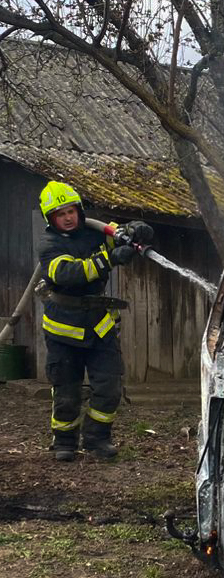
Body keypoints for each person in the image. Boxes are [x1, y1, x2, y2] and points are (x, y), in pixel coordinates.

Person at [37, 180, 154, 461]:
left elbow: (125, 236)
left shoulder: (95, 233)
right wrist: (109, 259)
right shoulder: (49, 245)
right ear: (51, 219)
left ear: (78, 210)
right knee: (66, 391)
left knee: (109, 387)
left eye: (70, 211)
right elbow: (68, 274)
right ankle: (64, 442)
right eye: (59, 214)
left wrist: (139, 228)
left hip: (99, 327)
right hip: (63, 329)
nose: (67, 218)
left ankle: (97, 440)